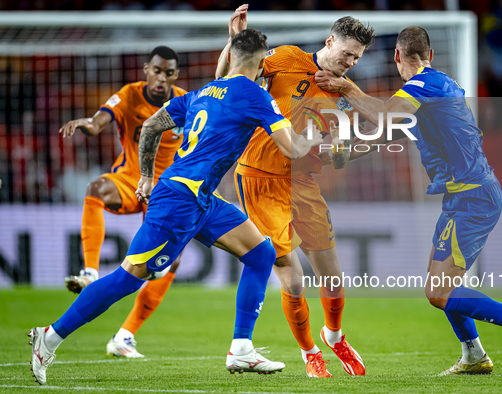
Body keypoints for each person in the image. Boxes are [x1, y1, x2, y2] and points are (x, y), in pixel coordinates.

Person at [29, 29, 323, 385]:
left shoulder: (202, 92)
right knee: (128, 278)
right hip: (181, 200)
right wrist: (315, 138)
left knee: (261, 254)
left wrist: (147, 177)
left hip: (197, 197)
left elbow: (152, 125)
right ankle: (49, 337)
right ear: (263, 63)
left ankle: (242, 347)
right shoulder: (256, 94)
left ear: (230, 57)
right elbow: (292, 148)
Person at [315, 26, 502, 375]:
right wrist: (336, 154)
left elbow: (383, 115)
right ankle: (473, 355)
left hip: (473, 197)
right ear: (430, 54)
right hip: (463, 198)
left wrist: (348, 88)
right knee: (442, 285)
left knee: (438, 291)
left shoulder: (427, 85)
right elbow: (383, 133)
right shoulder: (429, 92)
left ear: (397, 57)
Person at [215, 5, 373, 378]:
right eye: (346, 53)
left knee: (332, 276)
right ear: (329, 41)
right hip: (259, 177)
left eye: (357, 57)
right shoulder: (285, 57)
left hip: (303, 181)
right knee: (293, 275)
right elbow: (226, 78)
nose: (350, 62)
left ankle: (334, 336)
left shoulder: (344, 90)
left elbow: (346, 151)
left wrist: (342, 145)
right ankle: (309, 352)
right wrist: (234, 40)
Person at [59, 46, 187, 358]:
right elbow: (98, 122)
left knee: (170, 262)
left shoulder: (186, 100)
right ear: (146, 69)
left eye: (168, 73)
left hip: (168, 190)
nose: (161, 78)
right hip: (131, 179)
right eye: (157, 70)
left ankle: (125, 336)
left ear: (175, 75)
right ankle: (90, 271)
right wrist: (86, 124)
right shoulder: (129, 95)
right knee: (97, 188)